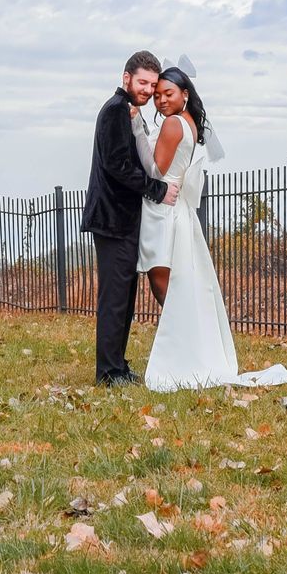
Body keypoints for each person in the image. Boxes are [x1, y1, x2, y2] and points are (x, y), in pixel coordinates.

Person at [138, 63, 287, 392]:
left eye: (167, 94)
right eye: (157, 95)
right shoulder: (189, 123)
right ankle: (193, 348)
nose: (160, 100)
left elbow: (154, 168)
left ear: (184, 94)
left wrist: (135, 132)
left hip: (163, 210)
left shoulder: (173, 124)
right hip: (179, 211)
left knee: (164, 287)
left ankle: (184, 354)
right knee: (177, 286)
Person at [80, 50, 178, 386]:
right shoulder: (114, 111)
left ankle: (118, 366)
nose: (149, 89)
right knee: (114, 299)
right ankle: (107, 373)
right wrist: (157, 189)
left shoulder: (128, 112)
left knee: (125, 297)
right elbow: (117, 166)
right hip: (111, 220)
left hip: (124, 221)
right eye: (143, 82)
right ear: (126, 79)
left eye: (153, 84)